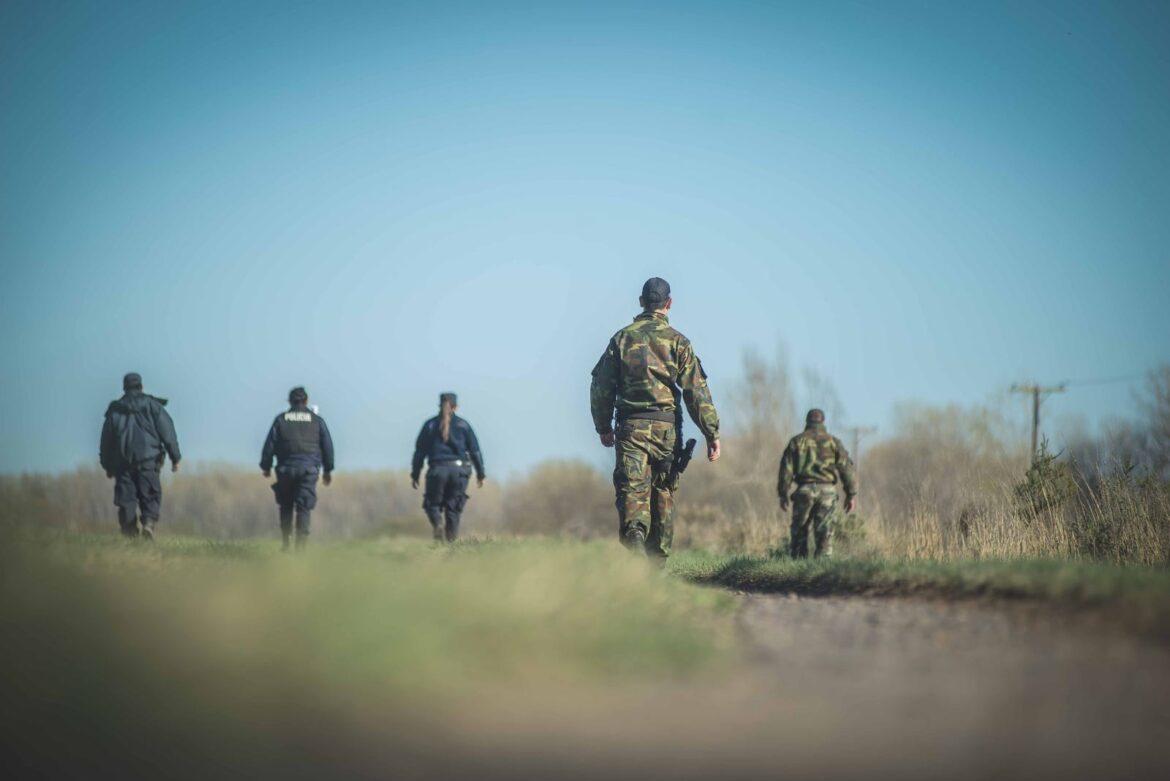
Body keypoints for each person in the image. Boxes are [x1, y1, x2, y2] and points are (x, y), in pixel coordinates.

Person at [590, 277, 722, 559]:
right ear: (669, 304)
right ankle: (657, 562)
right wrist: (712, 434)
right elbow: (696, 392)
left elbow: (601, 387)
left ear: (641, 302)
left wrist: (603, 426)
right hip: (666, 430)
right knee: (663, 491)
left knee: (632, 489)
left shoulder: (622, 339)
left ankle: (636, 536)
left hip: (630, 427)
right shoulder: (679, 342)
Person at [99, 372, 182, 540]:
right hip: (149, 460)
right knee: (150, 494)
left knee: (126, 500)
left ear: (124, 388)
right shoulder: (153, 406)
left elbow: (106, 441)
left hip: (122, 463)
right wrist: (175, 457)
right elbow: (168, 432)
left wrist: (107, 465)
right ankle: (149, 524)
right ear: (141, 386)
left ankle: (130, 533)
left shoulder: (115, 410)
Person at [260, 387, 335, 551]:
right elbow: (327, 446)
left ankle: (286, 542)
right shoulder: (317, 420)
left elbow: (269, 445)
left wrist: (265, 467)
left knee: (286, 505)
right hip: (309, 471)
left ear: (289, 402)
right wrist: (328, 471)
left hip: (285, 469)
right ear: (306, 401)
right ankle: (300, 547)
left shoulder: (281, 420)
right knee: (304, 507)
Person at [777, 408, 858, 558]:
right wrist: (850, 494)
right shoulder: (834, 442)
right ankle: (822, 569)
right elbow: (846, 468)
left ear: (807, 421)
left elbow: (786, 469)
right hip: (827, 493)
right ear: (823, 422)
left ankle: (798, 570)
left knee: (799, 533)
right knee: (825, 535)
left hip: (804, 491)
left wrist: (783, 494)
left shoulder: (796, 441)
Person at [411, 392, 485, 543]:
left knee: (433, 505)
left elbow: (419, 452)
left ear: (439, 405)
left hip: (437, 470)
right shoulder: (463, 425)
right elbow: (475, 451)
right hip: (459, 472)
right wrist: (481, 474)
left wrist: (415, 474)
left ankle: (438, 525)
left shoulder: (429, 425)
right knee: (453, 509)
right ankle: (451, 543)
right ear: (456, 407)